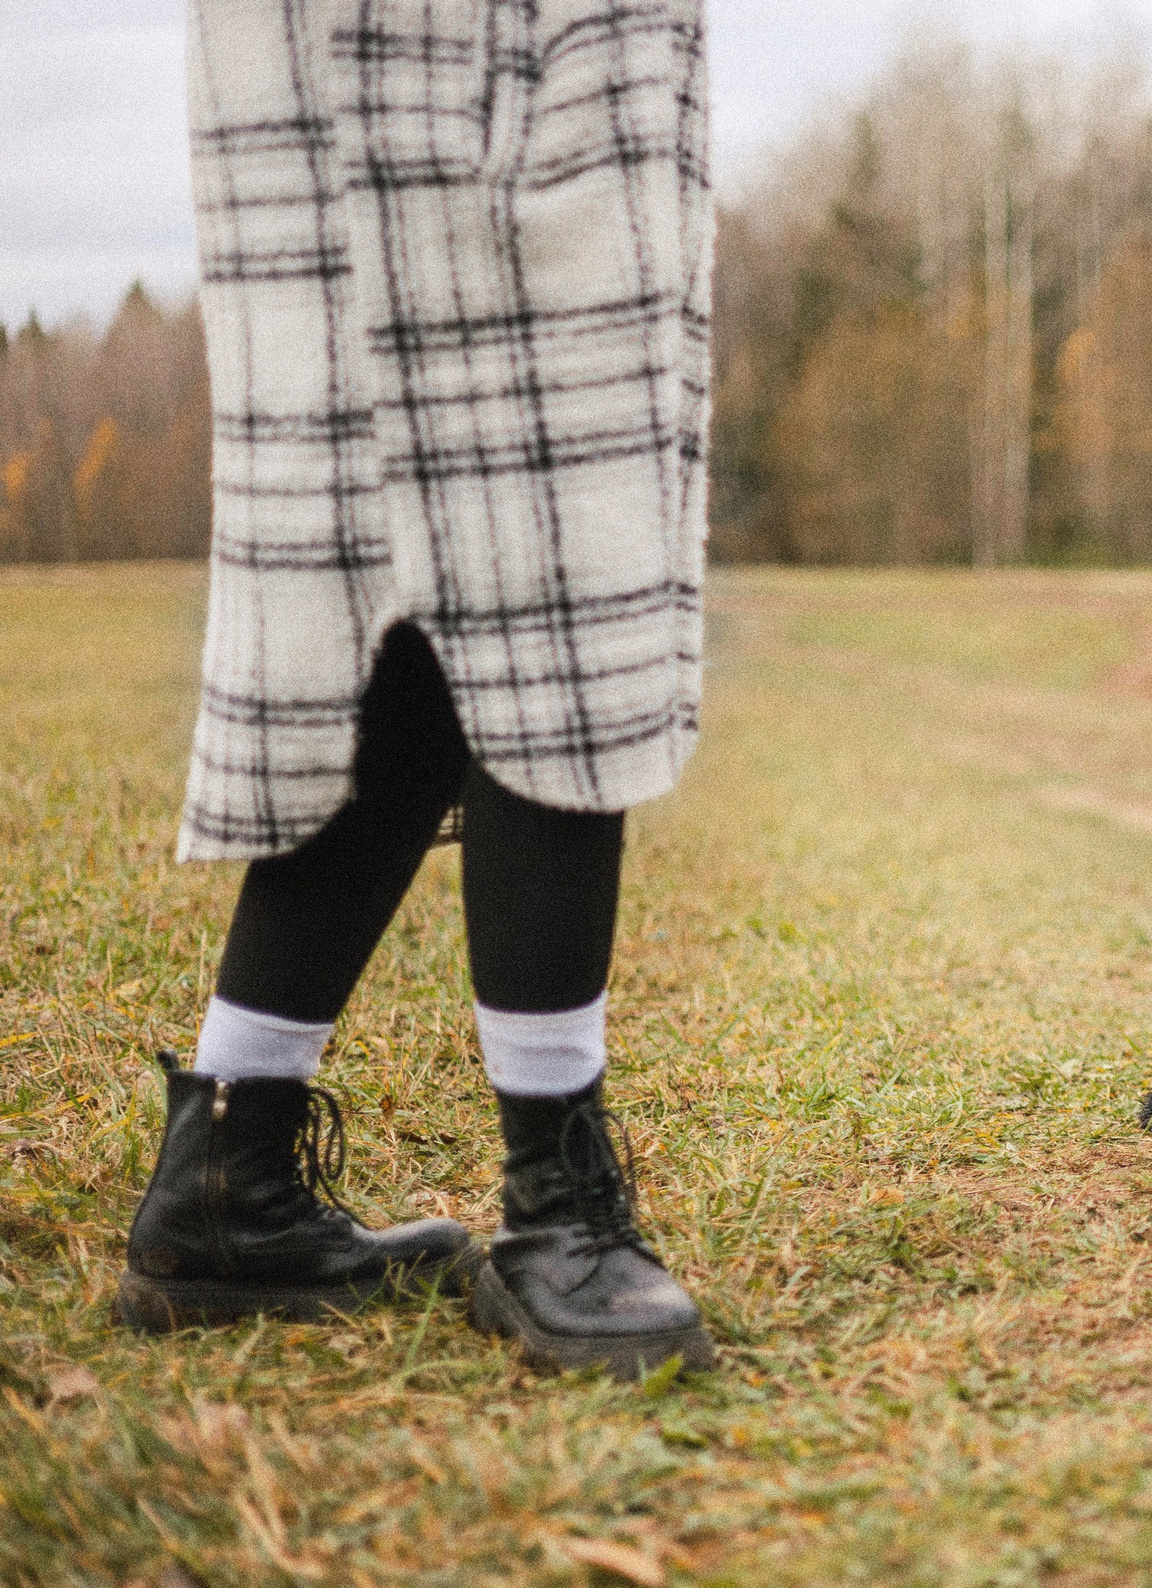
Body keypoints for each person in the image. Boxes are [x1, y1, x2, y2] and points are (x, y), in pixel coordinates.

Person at [117, 0, 716, 1381]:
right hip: (477, 47)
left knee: (395, 591)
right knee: (555, 561)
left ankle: (230, 1172)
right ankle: (556, 1204)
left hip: (343, 58)